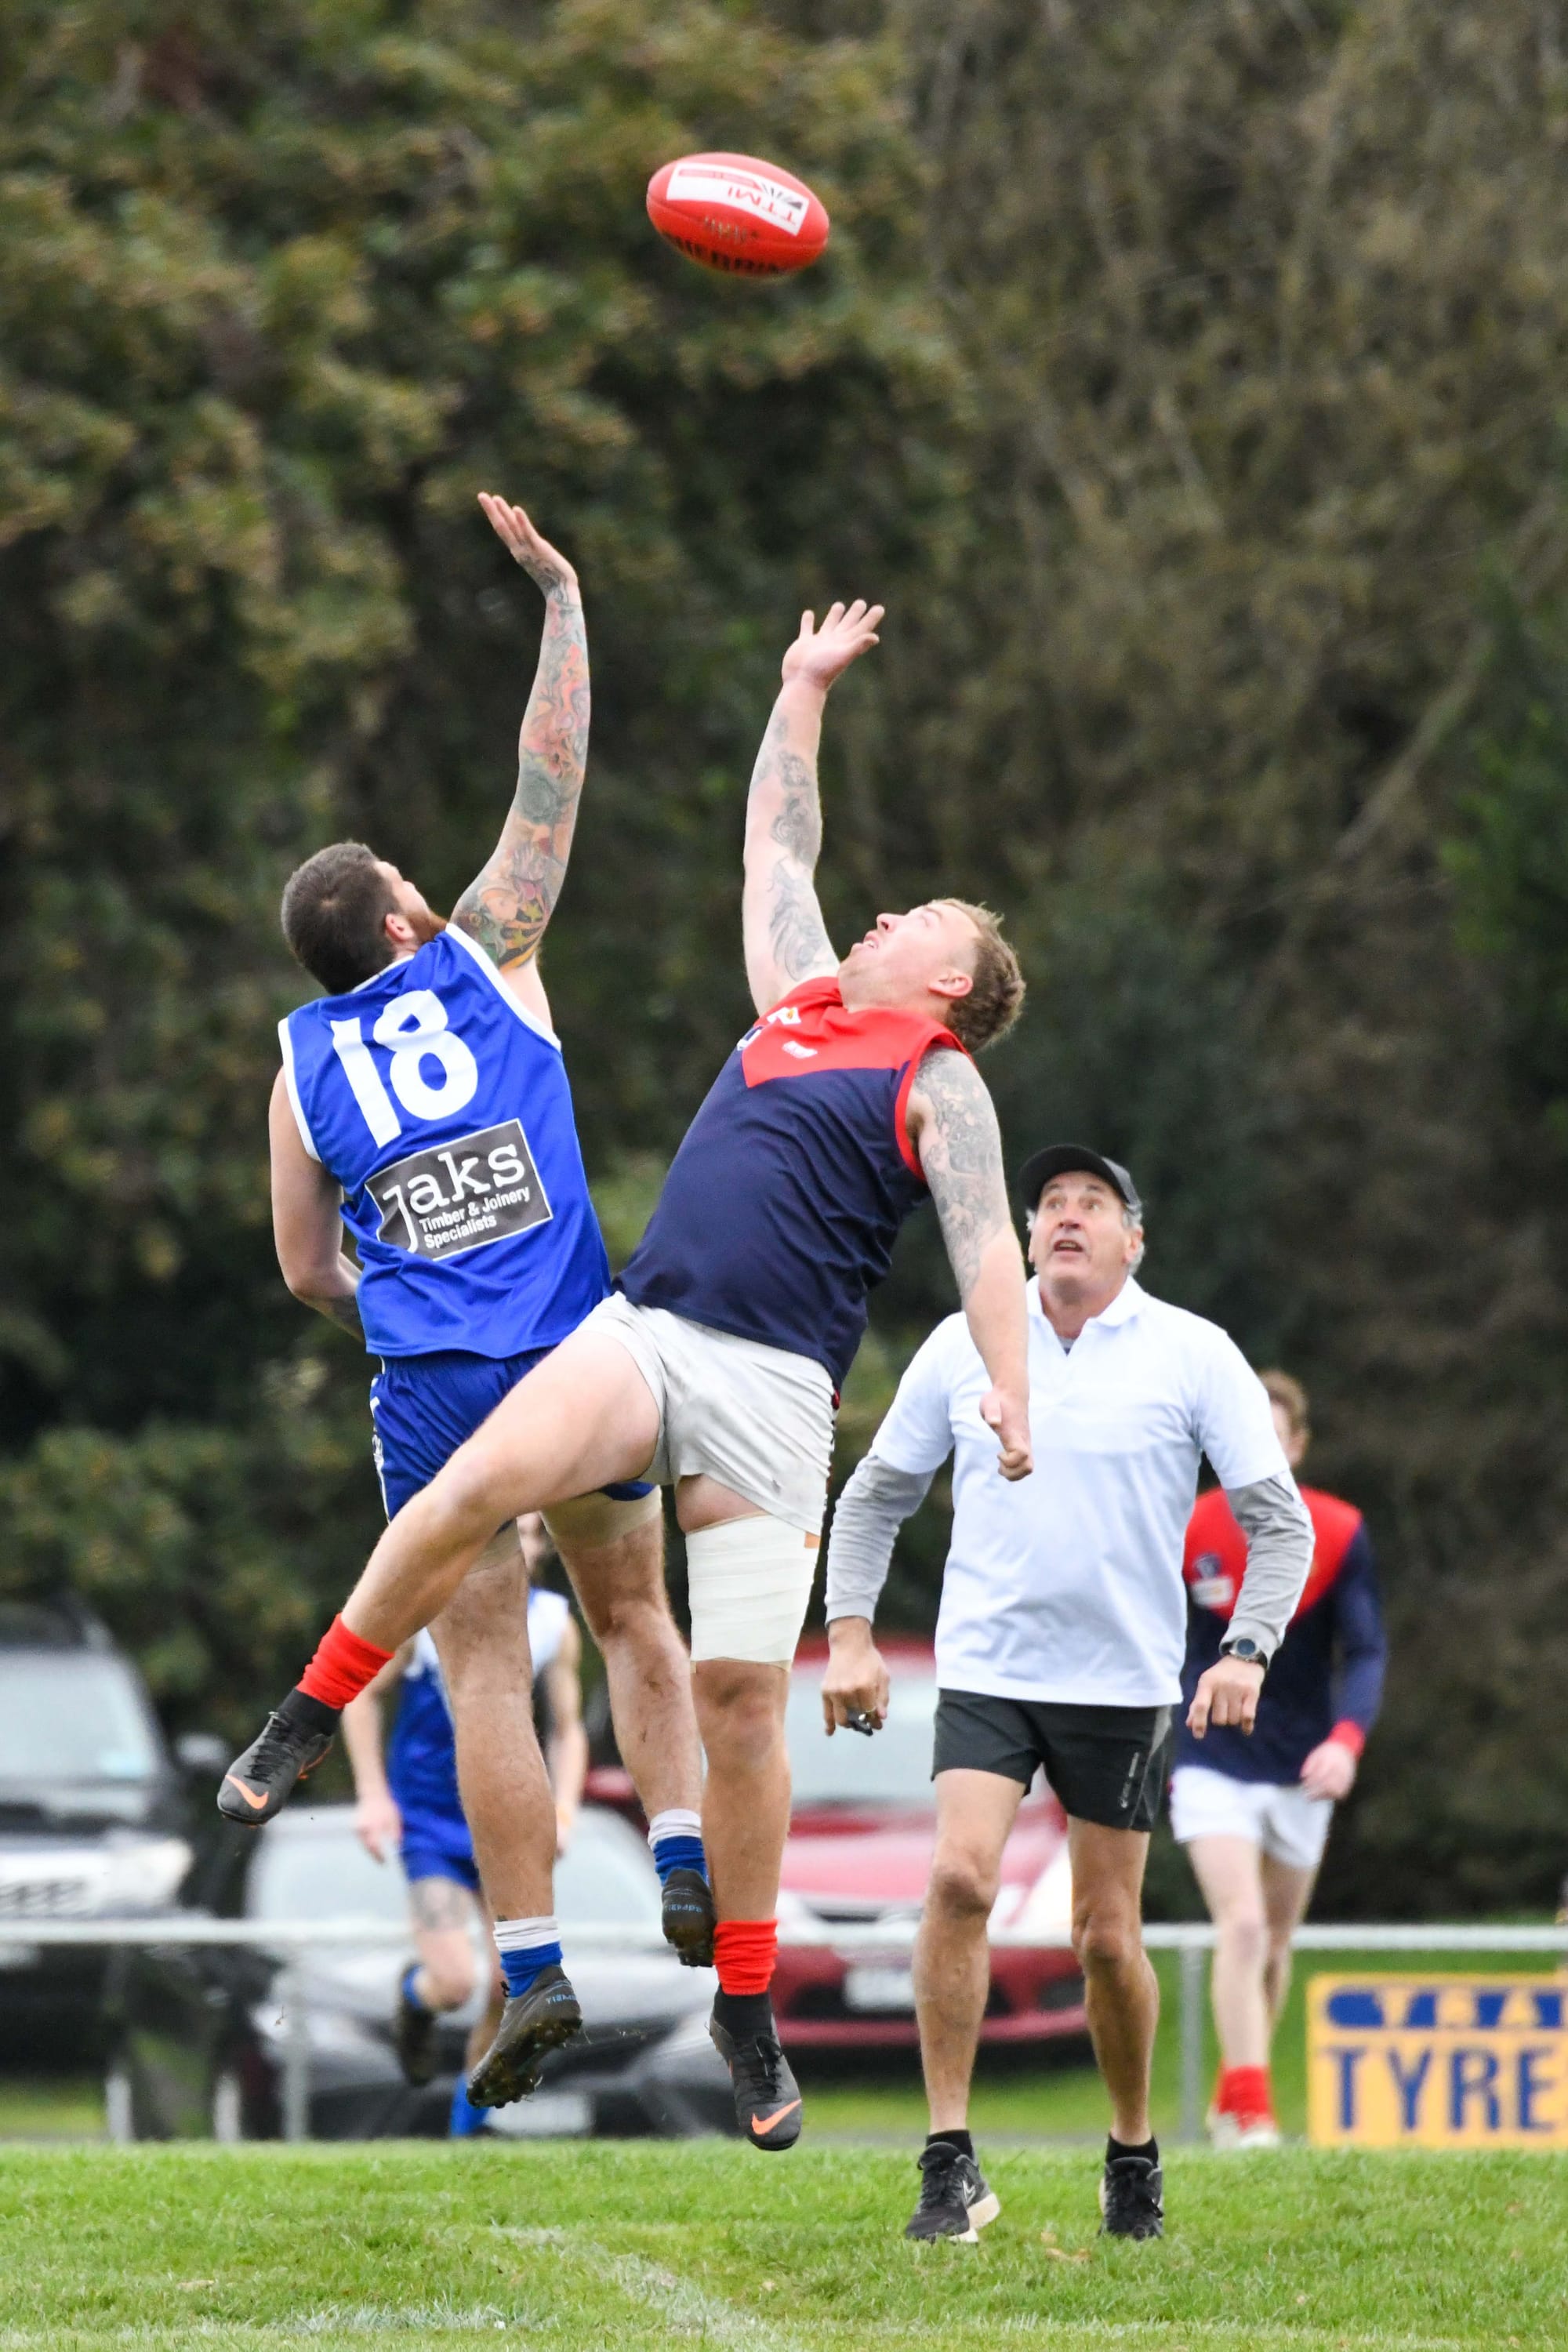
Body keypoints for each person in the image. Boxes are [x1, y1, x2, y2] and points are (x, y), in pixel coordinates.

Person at [220, 595, 1034, 2149]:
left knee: (737, 1697)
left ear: (946, 986)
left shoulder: (941, 1078)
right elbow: (777, 855)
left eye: (910, 927)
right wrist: (796, 691)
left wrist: (1008, 1387)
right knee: (475, 1496)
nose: (878, 923)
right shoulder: (799, 999)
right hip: (643, 1334)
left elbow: (986, 1247)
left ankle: (742, 2012)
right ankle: (306, 1715)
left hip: (779, 1401)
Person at [223, 492, 710, 1996]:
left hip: (432, 1379)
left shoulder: (299, 1074)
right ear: (406, 918)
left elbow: (308, 1274)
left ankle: (534, 1962)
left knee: (483, 1668)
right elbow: (547, 772)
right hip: (574, 1351)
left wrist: (404, 1283)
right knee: (633, 1612)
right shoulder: (490, 951)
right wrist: (560, 597)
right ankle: (686, 1850)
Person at [821, 1145, 1315, 2242]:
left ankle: (1132, 2149)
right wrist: (849, 1630)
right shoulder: (963, 1343)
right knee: (958, 1877)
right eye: (1049, 1204)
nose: (1066, 1217)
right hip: (991, 1667)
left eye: (1093, 1204)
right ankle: (949, 2160)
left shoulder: (1192, 1353)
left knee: (1104, 1935)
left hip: (1125, 1685)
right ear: (1026, 1233)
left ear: (1134, 1240)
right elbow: (873, 1500)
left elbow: (1282, 1521)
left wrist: (1245, 1649)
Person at [1171, 1368, 1387, 2148]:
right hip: (1209, 1759)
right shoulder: (1188, 1526)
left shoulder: (1336, 1532)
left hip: (1302, 1766)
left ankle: (1233, 2098)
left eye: (1272, 1435)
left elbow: (1363, 1651)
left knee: (1272, 1945)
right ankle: (1254, 2111)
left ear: (1295, 1447)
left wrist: (1345, 1742)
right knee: (1242, 1924)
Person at [342, 1514, 588, 2136]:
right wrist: (373, 1795)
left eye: (532, 1533)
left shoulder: (552, 1624)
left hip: (505, 1825)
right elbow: (361, 1695)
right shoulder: (429, 1611)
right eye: (506, 1529)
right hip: (430, 1822)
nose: (519, 1544)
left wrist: (563, 1808)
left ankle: (467, 2131)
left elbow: (567, 1729)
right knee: (454, 1982)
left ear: (542, 1548)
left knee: (512, 1986)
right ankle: (415, 1999)